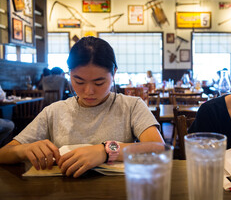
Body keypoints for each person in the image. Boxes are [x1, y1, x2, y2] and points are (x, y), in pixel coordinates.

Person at [0, 36, 164, 177]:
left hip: (118, 195)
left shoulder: (131, 106)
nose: (88, 91)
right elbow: (4, 153)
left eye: (99, 82)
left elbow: (158, 148)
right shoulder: (54, 111)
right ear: (69, 74)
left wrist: (105, 151)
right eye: (78, 81)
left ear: (114, 73)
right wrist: (24, 150)